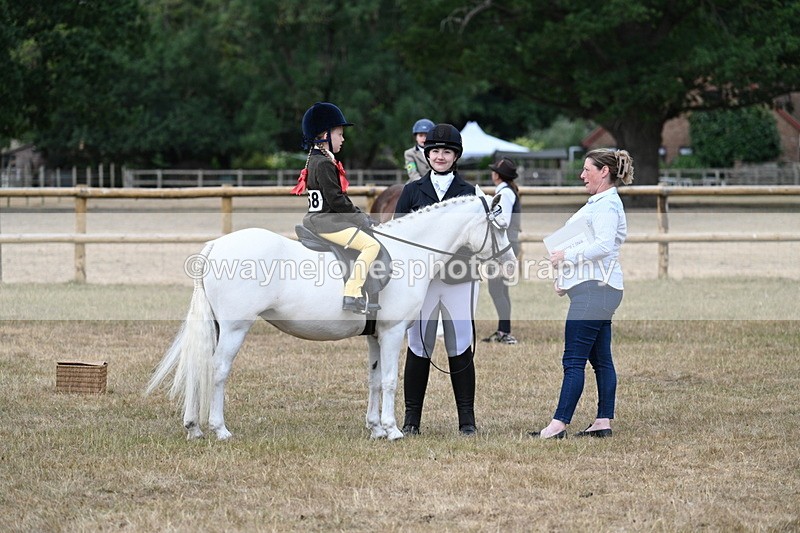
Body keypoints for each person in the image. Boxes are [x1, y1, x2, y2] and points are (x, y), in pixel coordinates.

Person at [530, 148, 634, 439]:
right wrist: (566, 278)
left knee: (573, 360)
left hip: (596, 291)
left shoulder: (606, 206)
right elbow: (591, 245)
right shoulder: (600, 203)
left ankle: (558, 425)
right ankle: (602, 422)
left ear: (604, 171)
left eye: (587, 169)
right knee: (601, 359)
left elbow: (601, 247)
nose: (582, 175)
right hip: (596, 289)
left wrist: (565, 256)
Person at [394, 123, 480, 436]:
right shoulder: (411, 191)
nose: (440, 156)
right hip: (423, 283)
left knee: (460, 345)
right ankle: (411, 419)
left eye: (446, 151)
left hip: (458, 279)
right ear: (426, 154)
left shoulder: (468, 192)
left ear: (455, 156)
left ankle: (467, 420)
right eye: (435, 151)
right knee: (418, 345)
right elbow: (398, 237)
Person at [291, 102, 381, 314]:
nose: (343, 139)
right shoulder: (323, 163)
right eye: (340, 134)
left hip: (320, 220)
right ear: (324, 135)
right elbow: (336, 200)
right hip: (327, 223)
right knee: (371, 246)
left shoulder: (315, 159)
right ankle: (352, 292)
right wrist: (362, 219)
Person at [481, 157, 521, 345]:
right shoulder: (507, 191)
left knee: (497, 289)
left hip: (502, 247)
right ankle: (503, 329)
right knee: (500, 289)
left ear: (497, 175)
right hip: (506, 245)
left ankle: (505, 332)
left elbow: (501, 221)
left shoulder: (504, 194)